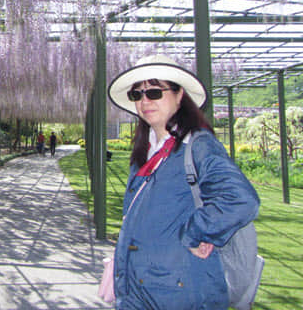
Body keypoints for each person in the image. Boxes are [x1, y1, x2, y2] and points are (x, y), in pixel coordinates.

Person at [107, 54, 260, 310]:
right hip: (138, 289)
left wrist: (196, 232)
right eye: (137, 95)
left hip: (182, 292)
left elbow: (240, 199)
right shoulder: (143, 154)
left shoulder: (197, 144)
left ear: (179, 95)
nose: (145, 101)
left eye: (155, 92)